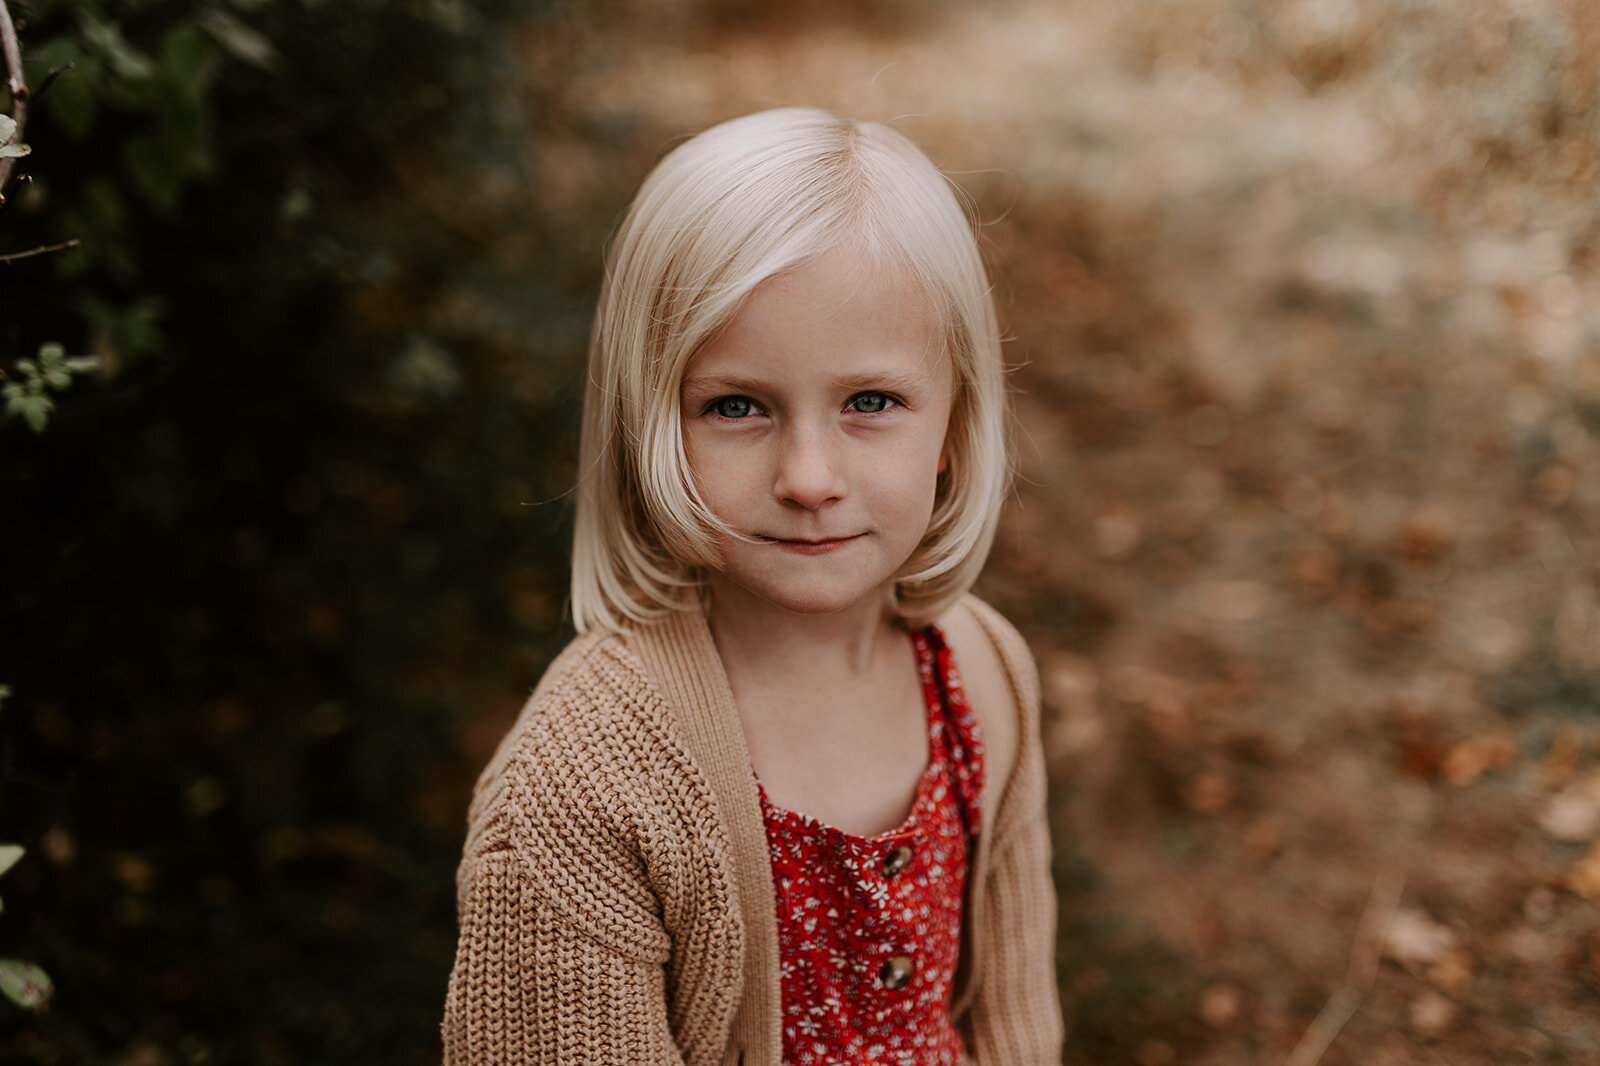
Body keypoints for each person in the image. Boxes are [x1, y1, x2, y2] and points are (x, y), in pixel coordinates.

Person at [442, 106, 1062, 1065]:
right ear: (649, 425)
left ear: (957, 425)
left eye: (870, 402)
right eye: (736, 406)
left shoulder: (981, 674)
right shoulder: (582, 791)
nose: (809, 477)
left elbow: (1014, 1018)